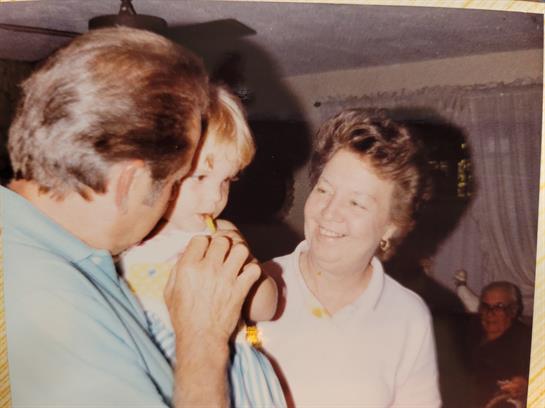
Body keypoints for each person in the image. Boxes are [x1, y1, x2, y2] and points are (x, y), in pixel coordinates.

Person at [2, 27, 270, 407]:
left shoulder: (67, 255)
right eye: (177, 179)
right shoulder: (45, 298)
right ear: (129, 182)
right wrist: (203, 339)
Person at [258, 108, 441, 407]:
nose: (329, 212)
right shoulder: (253, 287)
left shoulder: (408, 316)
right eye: (324, 190)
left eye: (356, 203)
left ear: (391, 225)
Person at [120, 83, 283, 406]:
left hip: (231, 377)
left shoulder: (221, 235)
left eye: (227, 180)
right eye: (200, 178)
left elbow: (266, 307)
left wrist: (245, 269)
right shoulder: (126, 242)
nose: (215, 197)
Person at [467, 281, 531, 408]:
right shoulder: (469, 328)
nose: (490, 313)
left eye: (499, 307)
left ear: (513, 310)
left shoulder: (525, 340)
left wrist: (525, 384)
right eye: (485, 306)